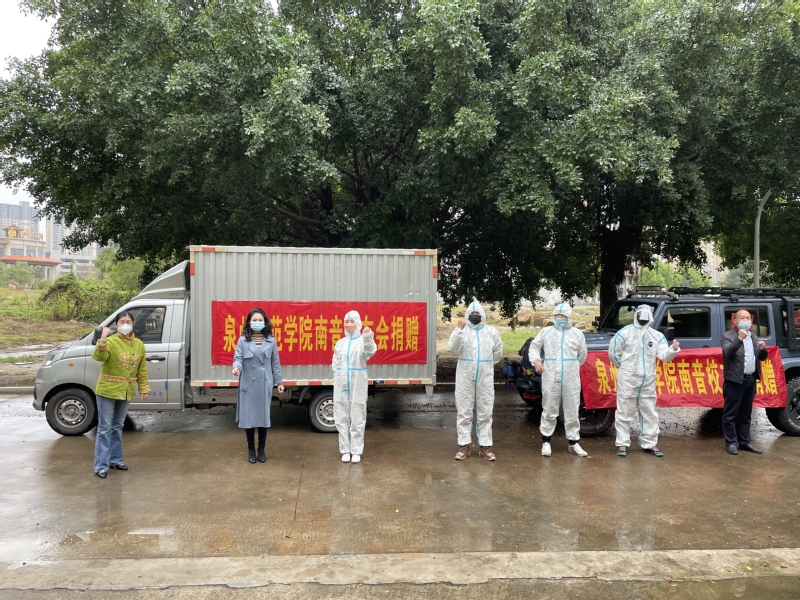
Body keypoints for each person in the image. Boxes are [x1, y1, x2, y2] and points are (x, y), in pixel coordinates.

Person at [609, 304, 680, 457]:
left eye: (646, 315)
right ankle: (622, 443)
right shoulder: (624, 333)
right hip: (628, 379)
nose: (643, 317)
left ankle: (650, 443)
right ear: (635, 315)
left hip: (648, 380)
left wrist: (673, 350)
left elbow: (664, 356)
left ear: (650, 317)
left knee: (649, 412)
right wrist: (627, 368)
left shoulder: (656, 336)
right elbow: (614, 354)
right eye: (641, 314)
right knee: (624, 411)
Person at [92, 311, 150, 478]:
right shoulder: (110, 341)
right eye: (121, 322)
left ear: (133, 324)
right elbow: (99, 356)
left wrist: (143, 387)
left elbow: (141, 368)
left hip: (126, 390)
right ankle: (101, 466)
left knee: (117, 426)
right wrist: (103, 338)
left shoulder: (138, 344)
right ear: (116, 325)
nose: (125, 324)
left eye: (128, 321)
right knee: (104, 428)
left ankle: (116, 460)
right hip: (107, 390)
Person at [529, 303, 588, 457]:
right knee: (549, 408)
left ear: (569, 317)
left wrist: (571, 366)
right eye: (557, 316)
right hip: (551, 376)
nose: (560, 318)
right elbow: (534, 346)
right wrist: (536, 360)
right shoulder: (546, 332)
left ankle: (573, 443)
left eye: (563, 316)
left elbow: (582, 355)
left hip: (570, 378)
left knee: (572, 409)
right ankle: (546, 441)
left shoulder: (577, 334)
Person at [449, 299, 503, 461]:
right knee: (464, 410)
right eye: (471, 313)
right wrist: (459, 329)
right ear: (467, 314)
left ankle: (485, 446)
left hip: (484, 377)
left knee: (485, 410)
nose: (474, 315)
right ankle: (464, 446)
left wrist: (487, 365)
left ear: (482, 315)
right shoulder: (462, 330)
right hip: (465, 376)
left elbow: (498, 351)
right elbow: (452, 347)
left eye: (477, 313)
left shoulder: (491, 332)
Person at [232, 308, 284, 464]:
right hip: (248, 385)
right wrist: (236, 368)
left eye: (260, 320)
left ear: (265, 322)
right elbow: (238, 358)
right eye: (254, 320)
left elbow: (275, 363)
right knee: (249, 418)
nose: (257, 323)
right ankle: (250, 448)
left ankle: (261, 448)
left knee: (263, 418)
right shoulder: (243, 340)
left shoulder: (271, 340)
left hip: (263, 385)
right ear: (249, 322)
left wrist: (279, 382)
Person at [721, 310, 768, 455]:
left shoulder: (753, 336)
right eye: (742, 318)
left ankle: (744, 441)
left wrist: (763, 350)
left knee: (746, 413)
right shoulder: (727, 336)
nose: (746, 320)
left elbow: (761, 357)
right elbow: (727, 353)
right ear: (735, 320)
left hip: (750, 379)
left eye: (748, 318)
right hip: (734, 380)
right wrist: (739, 339)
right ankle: (730, 442)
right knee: (731, 413)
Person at [332, 310, 376, 463]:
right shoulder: (340, 343)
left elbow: (371, 351)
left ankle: (356, 450)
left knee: (357, 415)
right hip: (341, 384)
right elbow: (335, 364)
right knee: (341, 416)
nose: (348, 324)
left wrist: (368, 336)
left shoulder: (362, 342)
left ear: (358, 323)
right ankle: (345, 450)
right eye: (346, 321)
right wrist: (337, 380)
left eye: (352, 321)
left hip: (358, 383)